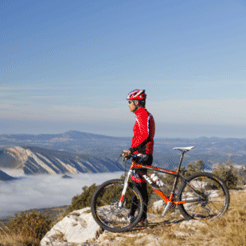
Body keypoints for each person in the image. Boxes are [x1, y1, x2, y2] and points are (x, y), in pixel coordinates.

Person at [122, 89, 155, 226]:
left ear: (136, 102)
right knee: (138, 187)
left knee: (139, 188)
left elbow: (145, 136)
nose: (128, 104)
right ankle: (136, 216)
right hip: (140, 155)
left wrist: (132, 150)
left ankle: (139, 217)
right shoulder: (140, 115)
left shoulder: (142, 115)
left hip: (143, 155)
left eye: (130, 102)